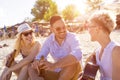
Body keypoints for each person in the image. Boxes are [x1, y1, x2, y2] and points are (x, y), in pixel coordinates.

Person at [28, 15, 82, 80]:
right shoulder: (49, 40)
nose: (62, 30)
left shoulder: (72, 37)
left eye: (64, 27)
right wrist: (37, 62)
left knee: (73, 63)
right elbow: (41, 55)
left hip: (74, 74)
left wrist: (54, 65)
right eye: (58, 28)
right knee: (31, 68)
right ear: (51, 29)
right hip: (59, 73)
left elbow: (78, 54)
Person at [86, 10, 120, 80]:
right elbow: (85, 72)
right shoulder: (97, 52)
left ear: (98, 28)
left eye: (89, 26)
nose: (88, 30)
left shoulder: (116, 51)